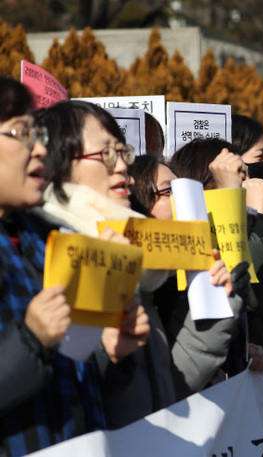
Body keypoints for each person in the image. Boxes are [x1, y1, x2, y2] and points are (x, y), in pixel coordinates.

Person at [38, 100, 247, 427]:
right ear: (57, 164)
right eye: (105, 154)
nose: (122, 168)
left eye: (123, 153)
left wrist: (216, 305)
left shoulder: (138, 268)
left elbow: (167, 398)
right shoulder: (48, 257)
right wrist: (113, 361)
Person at [0, 78, 148, 455]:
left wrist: (113, 356)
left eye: (37, 135)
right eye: (19, 133)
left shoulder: (49, 238)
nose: (37, 150)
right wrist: (30, 339)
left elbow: (77, 378)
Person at [170, 137, 263, 357]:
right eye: (239, 176)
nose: (248, 183)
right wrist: (255, 215)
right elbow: (257, 279)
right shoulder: (199, 236)